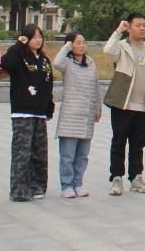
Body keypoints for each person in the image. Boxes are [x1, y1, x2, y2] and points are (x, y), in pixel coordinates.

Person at [103, 13, 145, 196]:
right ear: (129, 27)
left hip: (143, 107)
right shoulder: (122, 46)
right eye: (138, 25)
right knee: (118, 142)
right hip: (123, 104)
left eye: (144, 25)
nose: (142, 28)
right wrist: (118, 31)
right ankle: (116, 178)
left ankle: (136, 177)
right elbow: (108, 51)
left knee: (138, 145)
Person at [1, 24, 54, 202]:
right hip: (22, 112)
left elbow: (48, 85)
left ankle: (37, 186)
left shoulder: (44, 61)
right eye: (34, 37)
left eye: (40, 37)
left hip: (40, 113)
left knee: (39, 152)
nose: (38, 40)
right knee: (22, 153)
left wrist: (49, 106)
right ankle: (19, 189)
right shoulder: (19, 56)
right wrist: (18, 45)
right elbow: (5, 63)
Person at [52, 30, 101, 198]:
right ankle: (66, 185)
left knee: (82, 155)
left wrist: (97, 108)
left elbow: (95, 86)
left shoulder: (90, 62)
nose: (82, 46)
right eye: (77, 42)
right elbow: (56, 63)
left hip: (87, 114)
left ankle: (78, 183)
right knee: (67, 155)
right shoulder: (66, 62)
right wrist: (67, 46)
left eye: (83, 42)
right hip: (71, 115)